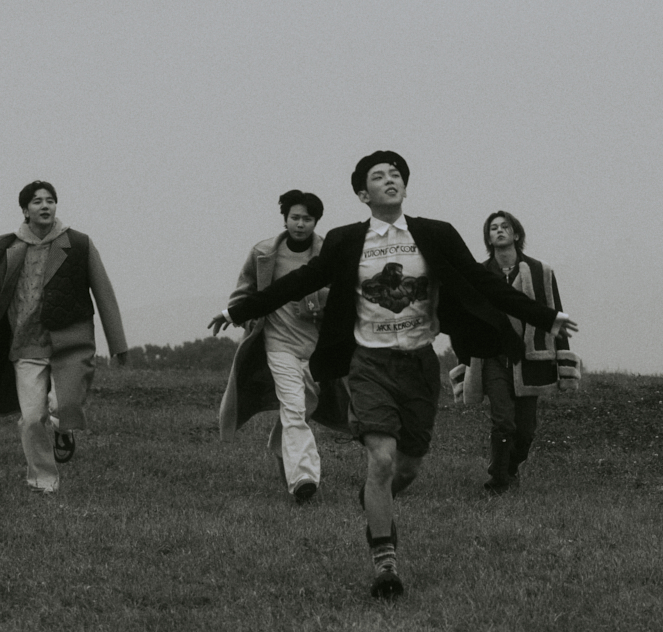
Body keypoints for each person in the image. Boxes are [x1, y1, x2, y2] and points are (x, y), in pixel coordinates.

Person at [227, 150, 579, 598]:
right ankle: (385, 562)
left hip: (419, 364)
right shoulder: (346, 240)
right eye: (379, 176)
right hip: (368, 364)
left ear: (405, 186)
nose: (390, 180)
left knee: (407, 467)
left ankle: (375, 499)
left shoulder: (435, 234)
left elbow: (483, 282)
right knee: (381, 459)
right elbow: (300, 281)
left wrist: (545, 316)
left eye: (396, 174)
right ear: (363, 194)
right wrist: (240, 309)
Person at [0, 180, 127, 495]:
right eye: (37, 201)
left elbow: (104, 292)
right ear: (25, 210)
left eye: (50, 200)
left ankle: (63, 429)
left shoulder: (78, 244)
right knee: (32, 418)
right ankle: (43, 479)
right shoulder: (6, 248)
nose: (45, 206)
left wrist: (118, 343)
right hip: (25, 344)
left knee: (65, 405)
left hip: (71, 344)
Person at [210, 192, 331, 505]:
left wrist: (320, 302)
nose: (300, 224)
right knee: (293, 406)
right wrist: (234, 314)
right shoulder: (263, 253)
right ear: (285, 219)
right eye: (295, 217)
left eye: (307, 219)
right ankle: (304, 478)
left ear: (316, 221)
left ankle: (280, 445)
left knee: (306, 406)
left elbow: (346, 295)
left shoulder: (329, 254)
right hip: (278, 345)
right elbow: (245, 290)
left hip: (317, 348)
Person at [453, 210, 577, 492]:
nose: (499, 231)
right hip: (492, 358)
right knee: (503, 422)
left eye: (505, 226)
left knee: (526, 431)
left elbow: (553, 315)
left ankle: (510, 469)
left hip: (529, 359)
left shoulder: (541, 272)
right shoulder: (478, 274)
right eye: (493, 228)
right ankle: (498, 481)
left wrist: (564, 364)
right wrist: (464, 365)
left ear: (516, 234)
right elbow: (465, 322)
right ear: (488, 238)